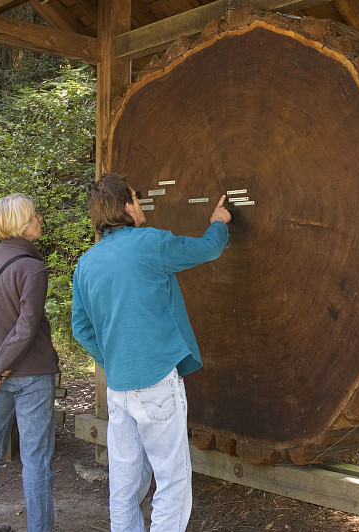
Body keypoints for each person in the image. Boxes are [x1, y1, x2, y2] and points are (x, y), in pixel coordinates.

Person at [71, 172, 231, 532]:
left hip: (119, 387)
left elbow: (81, 329)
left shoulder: (86, 263)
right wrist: (219, 223)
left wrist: (113, 359)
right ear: (126, 206)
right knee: (172, 480)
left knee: (124, 484)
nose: (141, 201)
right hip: (157, 381)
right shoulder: (150, 243)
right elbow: (208, 249)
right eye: (136, 196)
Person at [0, 193, 60, 532]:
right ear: (20, 224)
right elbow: (27, 328)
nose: (40, 219)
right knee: (36, 461)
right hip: (33, 376)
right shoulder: (32, 268)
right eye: (34, 216)